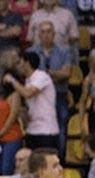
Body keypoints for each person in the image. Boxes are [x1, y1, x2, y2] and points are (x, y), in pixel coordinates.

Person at [29, 21, 73, 149]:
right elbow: (29, 76)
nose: (46, 35)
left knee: (62, 122)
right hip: (37, 98)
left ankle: (60, 157)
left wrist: (45, 75)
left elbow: (66, 73)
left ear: (54, 34)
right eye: (42, 32)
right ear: (38, 35)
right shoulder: (31, 52)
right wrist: (54, 75)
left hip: (59, 94)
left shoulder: (64, 51)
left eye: (49, 31)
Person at [5, 52, 58, 150]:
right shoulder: (27, 81)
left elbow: (28, 93)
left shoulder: (42, 76)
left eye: (19, 63)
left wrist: (12, 80)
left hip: (46, 131)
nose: (18, 66)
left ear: (27, 63)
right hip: (31, 130)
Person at [0, 79, 24, 176]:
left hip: (11, 137)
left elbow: (12, 117)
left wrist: (0, 133)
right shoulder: (0, 98)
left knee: (7, 169)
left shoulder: (15, 95)